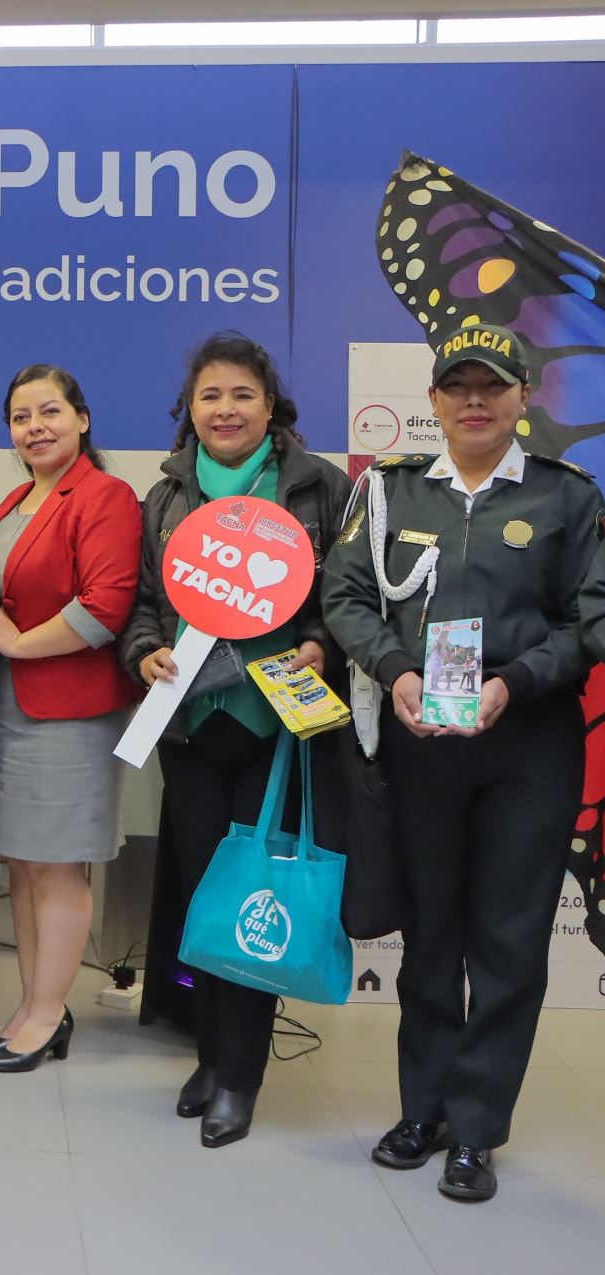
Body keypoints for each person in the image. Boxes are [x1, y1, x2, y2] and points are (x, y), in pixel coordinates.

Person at [326, 324, 603, 1203]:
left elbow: (592, 619)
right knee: (431, 940)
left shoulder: (569, 499)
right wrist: (395, 668)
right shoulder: (390, 495)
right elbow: (345, 594)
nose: (475, 400)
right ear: (436, 401)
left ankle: (477, 1128)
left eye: (493, 386)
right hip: (422, 748)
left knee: (510, 942)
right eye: (459, 386)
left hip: (527, 747)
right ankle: (426, 1107)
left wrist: (513, 683)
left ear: (523, 398)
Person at [120, 332, 350, 1148]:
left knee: (257, 892)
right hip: (191, 723)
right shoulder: (166, 493)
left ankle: (240, 1073)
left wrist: (325, 642)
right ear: (191, 408)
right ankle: (209, 1051)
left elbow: (344, 596)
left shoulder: (320, 486)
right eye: (210, 396)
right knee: (197, 890)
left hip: (274, 726)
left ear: (270, 405)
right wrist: (141, 647)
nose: (225, 409)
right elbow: (145, 601)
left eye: (241, 395)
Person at [0, 365, 141, 1073]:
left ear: (83, 418)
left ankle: (45, 1014)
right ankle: (35, 1004)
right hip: (8, 706)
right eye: (19, 416)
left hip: (68, 707)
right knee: (26, 863)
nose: (34, 427)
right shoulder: (13, 501)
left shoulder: (105, 496)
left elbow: (105, 607)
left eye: (49, 411)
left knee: (59, 866)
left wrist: (15, 642)